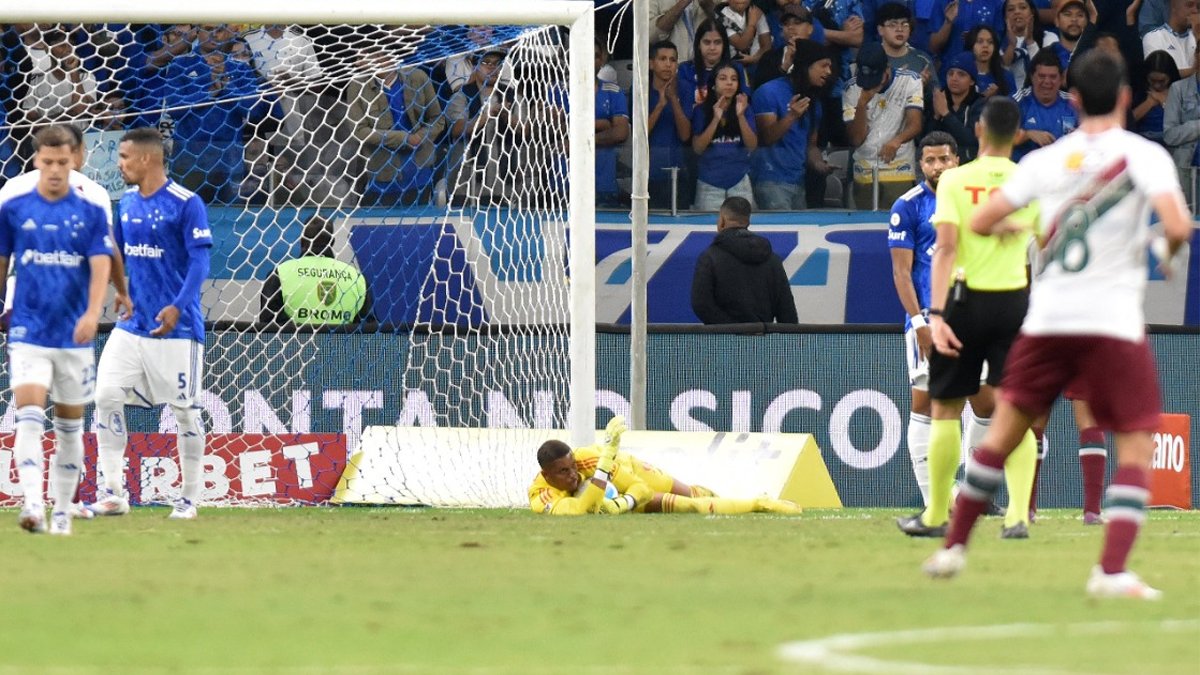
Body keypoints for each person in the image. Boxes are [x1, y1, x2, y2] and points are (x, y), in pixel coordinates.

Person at [923, 50, 1194, 600]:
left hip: (1047, 319)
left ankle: (952, 547)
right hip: (1111, 321)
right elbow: (1176, 225)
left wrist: (1032, 226)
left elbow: (981, 220)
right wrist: (1163, 246)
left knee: (1001, 434)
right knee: (1136, 446)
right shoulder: (1143, 155)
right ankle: (1111, 571)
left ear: (1071, 100)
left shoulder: (1047, 163)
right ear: (1124, 97)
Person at [899, 97, 1040, 540]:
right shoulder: (1030, 180)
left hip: (965, 301)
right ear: (1018, 134)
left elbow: (945, 249)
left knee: (944, 409)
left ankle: (937, 514)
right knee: (1012, 409)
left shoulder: (956, 181)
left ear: (977, 131)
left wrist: (935, 314)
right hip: (1015, 299)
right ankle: (1018, 515)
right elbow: (1049, 244)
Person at [0, 123, 131, 521]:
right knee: (28, 408)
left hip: (74, 320)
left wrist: (113, 296)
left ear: (78, 156)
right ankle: (33, 504)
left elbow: (105, 251)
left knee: (69, 417)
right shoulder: (12, 194)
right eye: (47, 160)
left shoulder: (92, 197)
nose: (56, 168)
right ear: (37, 158)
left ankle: (66, 502)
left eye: (64, 159)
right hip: (25, 315)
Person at [88, 127, 212, 520]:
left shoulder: (186, 202)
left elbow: (200, 261)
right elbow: (118, 253)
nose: (119, 164)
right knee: (105, 395)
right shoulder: (124, 203)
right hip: (132, 325)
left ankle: (190, 498)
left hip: (177, 329)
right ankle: (113, 493)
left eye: (124, 157)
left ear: (146, 159)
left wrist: (179, 305)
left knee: (185, 410)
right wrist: (119, 290)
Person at [887, 131, 960, 509]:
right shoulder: (908, 206)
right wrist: (918, 324)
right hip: (929, 323)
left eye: (944, 159)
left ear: (957, 161)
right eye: (930, 161)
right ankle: (936, 500)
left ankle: (968, 493)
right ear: (920, 165)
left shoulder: (973, 202)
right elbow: (902, 273)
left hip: (971, 318)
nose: (937, 167)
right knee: (926, 404)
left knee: (980, 404)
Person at [530, 416, 801, 515]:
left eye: (572, 467)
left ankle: (710, 493)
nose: (573, 475)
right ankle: (759, 503)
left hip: (631, 471)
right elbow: (577, 509)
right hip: (624, 499)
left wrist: (622, 502)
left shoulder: (589, 459)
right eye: (563, 472)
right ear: (547, 475)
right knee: (690, 507)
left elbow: (640, 488)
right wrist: (620, 504)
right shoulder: (541, 496)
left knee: (693, 494)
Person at [751, 38, 833, 209]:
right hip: (770, 181)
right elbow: (766, 138)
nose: (829, 71)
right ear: (806, 65)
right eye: (824, 65)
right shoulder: (768, 92)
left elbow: (811, 146)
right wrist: (791, 116)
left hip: (798, 182)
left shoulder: (814, 101)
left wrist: (819, 164)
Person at [842, 42, 925, 210]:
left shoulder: (911, 80)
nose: (870, 85)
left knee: (898, 222)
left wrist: (897, 140)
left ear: (886, 68)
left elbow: (915, 124)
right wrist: (862, 103)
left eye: (874, 79)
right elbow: (856, 139)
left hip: (899, 170)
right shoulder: (852, 88)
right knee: (865, 228)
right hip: (864, 172)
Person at [690, 196, 797, 324]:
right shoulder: (772, 259)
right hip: (762, 340)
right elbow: (786, 310)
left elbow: (701, 304)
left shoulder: (710, 257)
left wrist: (731, 328)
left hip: (723, 341)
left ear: (722, 221)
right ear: (748, 222)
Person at [260, 214, 371, 325]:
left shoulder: (281, 274)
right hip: (342, 342)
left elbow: (268, 326)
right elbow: (367, 327)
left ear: (302, 239)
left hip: (293, 342)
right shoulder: (357, 279)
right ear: (332, 241)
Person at [692, 61, 758, 209]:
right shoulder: (701, 111)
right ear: (713, 84)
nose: (729, 83)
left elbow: (752, 146)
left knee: (742, 229)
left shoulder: (746, 109)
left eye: (734, 79)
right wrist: (716, 118)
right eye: (723, 78)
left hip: (739, 182)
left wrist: (740, 116)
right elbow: (697, 148)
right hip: (709, 184)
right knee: (708, 230)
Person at [1012, 50, 1078, 161]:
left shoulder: (1073, 103)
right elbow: (998, 138)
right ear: (1032, 77)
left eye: (1053, 77)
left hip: (1063, 172)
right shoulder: (1018, 101)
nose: (1047, 81)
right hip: (1023, 172)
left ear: (1061, 79)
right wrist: (1027, 135)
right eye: (1041, 76)